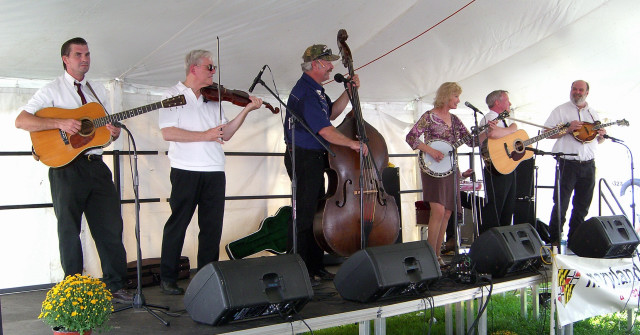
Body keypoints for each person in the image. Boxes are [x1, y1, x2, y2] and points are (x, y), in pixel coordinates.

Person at [14, 37, 132, 303]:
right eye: (78, 54)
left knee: (110, 227)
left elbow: (100, 135)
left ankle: (116, 285)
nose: (85, 59)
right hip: (66, 168)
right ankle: (74, 288)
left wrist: (112, 134)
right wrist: (61, 122)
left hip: (96, 167)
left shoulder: (96, 91)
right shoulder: (51, 90)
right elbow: (22, 121)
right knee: (69, 229)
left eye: (88, 54)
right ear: (65, 59)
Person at [157, 50, 263, 295]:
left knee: (211, 228)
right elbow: (168, 133)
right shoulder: (172, 95)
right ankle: (168, 276)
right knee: (178, 223)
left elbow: (225, 134)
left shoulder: (213, 98)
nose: (214, 72)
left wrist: (245, 110)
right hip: (185, 170)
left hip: (215, 170)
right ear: (194, 69)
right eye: (209, 67)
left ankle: (206, 276)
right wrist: (204, 136)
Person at [284, 44, 367, 281]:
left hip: (313, 156)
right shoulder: (307, 92)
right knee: (307, 213)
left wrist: (349, 92)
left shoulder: (316, 90)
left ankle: (314, 265)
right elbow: (325, 130)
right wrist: (351, 144)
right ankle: (302, 269)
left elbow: (330, 114)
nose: (332, 66)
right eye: (329, 62)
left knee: (318, 211)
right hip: (303, 156)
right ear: (317, 64)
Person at [406, 82, 473, 267]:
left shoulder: (456, 120)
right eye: (456, 96)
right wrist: (431, 151)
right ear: (447, 96)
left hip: (450, 167)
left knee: (448, 211)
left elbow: (471, 141)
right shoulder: (429, 117)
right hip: (432, 168)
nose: (458, 100)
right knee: (438, 210)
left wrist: (486, 132)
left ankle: (437, 255)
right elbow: (411, 137)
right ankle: (429, 257)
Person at [544, 80, 605, 245]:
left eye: (580, 90)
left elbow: (597, 141)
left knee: (582, 206)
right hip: (567, 163)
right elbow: (546, 133)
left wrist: (601, 136)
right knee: (561, 204)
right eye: (574, 89)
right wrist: (568, 129)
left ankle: (575, 241)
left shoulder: (593, 113)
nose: (577, 92)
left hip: (588, 164)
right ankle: (555, 241)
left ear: (587, 93)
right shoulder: (561, 110)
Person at [479, 90, 518, 233]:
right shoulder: (490, 117)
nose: (510, 103)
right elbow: (493, 133)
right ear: (497, 102)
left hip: (505, 167)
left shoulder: (502, 119)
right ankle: (491, 240)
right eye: (507, 100)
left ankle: (504, 240)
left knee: (507, 207)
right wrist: (512, 129)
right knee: (496, 206)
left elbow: (504, 135)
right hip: (495, 168)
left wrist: (510, 129)